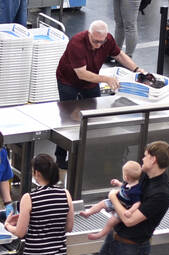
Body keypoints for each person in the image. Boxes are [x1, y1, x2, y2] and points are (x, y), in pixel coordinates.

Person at [53, 21, 144, 168]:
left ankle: (87, 152)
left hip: (91, 80)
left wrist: (137, 69)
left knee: (93, 115)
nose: (99, 45)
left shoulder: (107, 40)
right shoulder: (76, 43)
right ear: (89, 34)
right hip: (68, 81)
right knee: (67, 118)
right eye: (95, 41)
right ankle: (61, 157)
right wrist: (106, 79)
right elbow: (81, 74)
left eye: (102, 42)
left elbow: (119, 55)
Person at [80, 160, 143, 240]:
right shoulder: (128, 183)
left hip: (123, 208)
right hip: (116, 201)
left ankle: (100, 234)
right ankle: (88, 212)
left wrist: (130, 211)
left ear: (126, 177)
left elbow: (137, 203)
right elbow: (123, 187)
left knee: (111, 221)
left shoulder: (136, 190)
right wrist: (118, 183)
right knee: (101, 204)